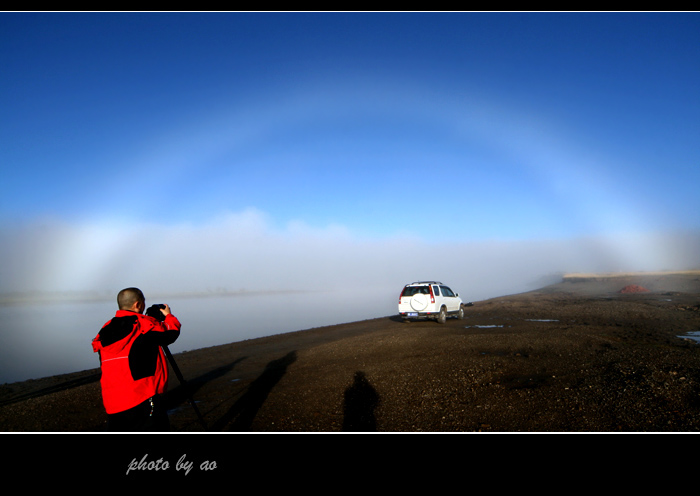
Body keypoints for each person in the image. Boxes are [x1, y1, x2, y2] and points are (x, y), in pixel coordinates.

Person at [92, 287, 181, 431]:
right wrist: (168, 316)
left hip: (112, 400)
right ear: (138, 305)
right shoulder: (142, 324)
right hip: (143, 395)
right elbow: (170, 333)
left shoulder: (106, 329)